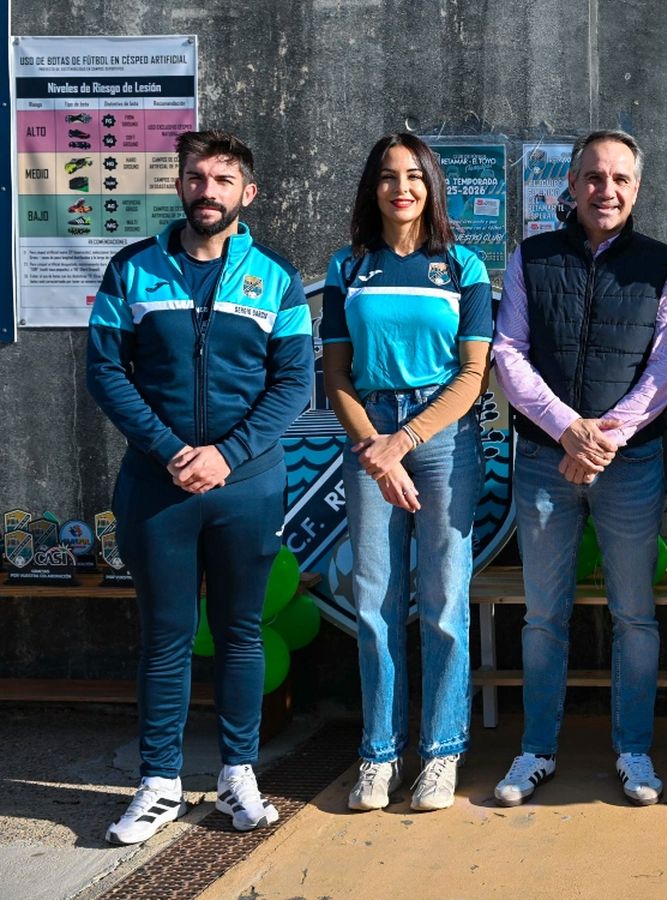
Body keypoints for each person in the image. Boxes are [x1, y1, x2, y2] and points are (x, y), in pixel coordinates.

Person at [86, 130, 312, 844]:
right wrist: (174, 449)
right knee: (166, 638)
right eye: (195, 177)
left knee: (241, 635)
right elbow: (106, 372)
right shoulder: (133, 269)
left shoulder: (276, 277)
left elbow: (294, 383)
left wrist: (228, 454)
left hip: (246, 486)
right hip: (158, 485)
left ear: (247, 193)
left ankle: (237, 775)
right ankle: (158, 784)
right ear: (180, 186)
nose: (206, 190)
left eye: (222, 180)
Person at [491, 130, 667, 806]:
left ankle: (633, 751)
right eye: (594, 178)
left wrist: (604, 437)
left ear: (638, 188)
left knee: (636, 615)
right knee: (544, 617)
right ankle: (535, 751)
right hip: (548, 463)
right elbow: (508, 354)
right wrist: (567, 430)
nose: (607, 191)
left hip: (630, 466)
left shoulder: (664, 266)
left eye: (621, 180)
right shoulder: (530, 257)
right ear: (571, 185)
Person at [321, 134, 491, 812]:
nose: (402, 187)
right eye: (389, 176)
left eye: (415, 176)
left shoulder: (463, 266)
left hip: (443, 436)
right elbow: (335, 375)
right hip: (368, 431)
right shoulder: (347, 265)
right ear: (373, 187)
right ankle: (379, 755)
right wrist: (376, 448)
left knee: (446, 601)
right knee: (374, 604)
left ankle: (442, 753)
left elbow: (473, 374)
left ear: (432, 185)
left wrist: (406, 440)